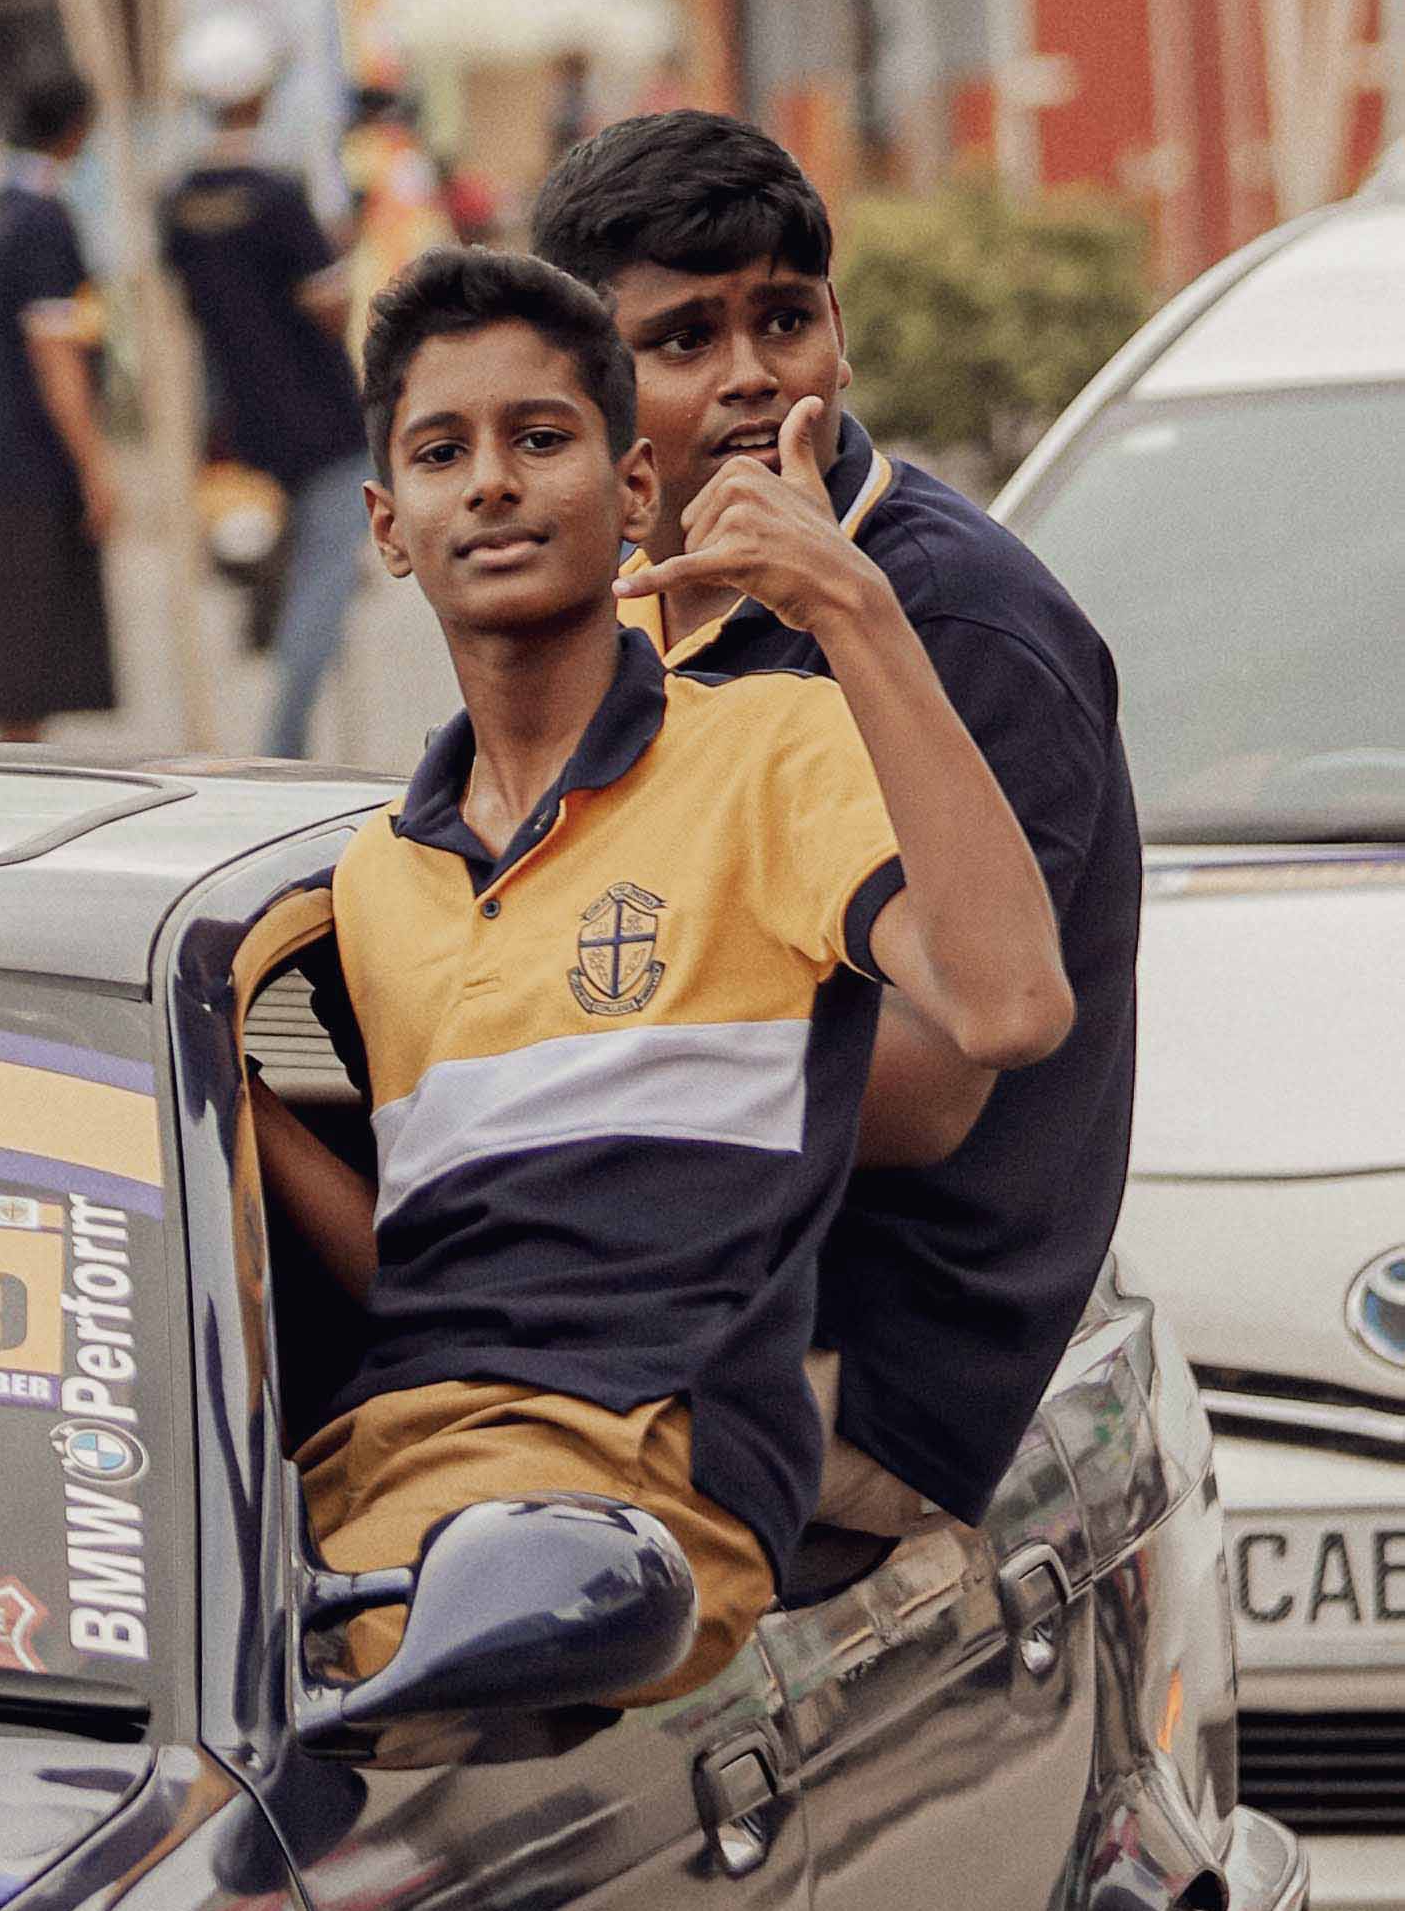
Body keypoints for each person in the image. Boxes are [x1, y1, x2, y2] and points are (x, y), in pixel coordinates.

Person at [248, 244, 1072, 1692]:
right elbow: (441, 1279)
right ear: (386, 524)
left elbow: (1009, 1006)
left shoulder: (766, 749)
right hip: (384, 1492)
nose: (491, 482)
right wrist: (223, 1100)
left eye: (540, 438)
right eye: (444, 452)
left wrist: (851, 609)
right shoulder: (379, 874)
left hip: (624, 1519)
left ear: (635, 492)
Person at [530, 100, 1143, 1552]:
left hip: (868, 1384)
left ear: (838, 335)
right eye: (683, 341)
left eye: (782, 321)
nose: (749, 379)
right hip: (682, 1313)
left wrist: (520, 1066)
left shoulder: (945, 620)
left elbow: (935, 1078)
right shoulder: (631, 608)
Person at [158, 11, 369, 756]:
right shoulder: (278, 194)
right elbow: (329, 303)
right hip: (320, 411)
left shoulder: (178, 202)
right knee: (325, 578)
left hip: (240, 417)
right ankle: (286, 741)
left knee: (292, 573)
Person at [0, 53, 119, 742]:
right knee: (31, 660)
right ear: (77, 129)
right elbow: (58, 357)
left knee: (13, 652)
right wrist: (94, 468)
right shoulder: (46, 219)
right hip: (36, 461)